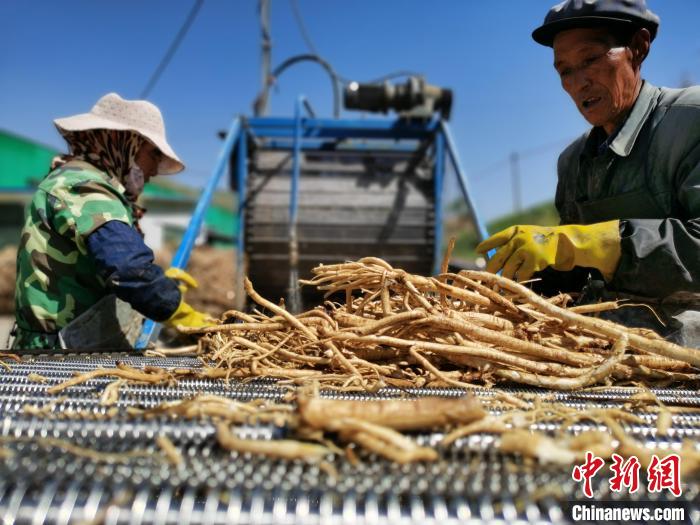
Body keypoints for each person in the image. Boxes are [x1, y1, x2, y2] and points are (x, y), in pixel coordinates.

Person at [476, 0, 700, 347]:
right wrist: (516, 285)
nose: (579, 82)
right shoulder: (573, 162)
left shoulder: (689, 122)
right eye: (564, 70)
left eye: (591, 60)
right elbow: (575, 278)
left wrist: (586, 242)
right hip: (599, 347)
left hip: (684, 359)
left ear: (638, 48)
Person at [12, 93, 213, 350]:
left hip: (77, 347)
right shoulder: (82, 186)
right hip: (55, 354)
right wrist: (178, 311)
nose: (154, 170)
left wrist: (160, 282)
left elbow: (113, 262)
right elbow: (128, 270)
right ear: (124, 143)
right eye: (153, 154)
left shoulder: (88, 184)